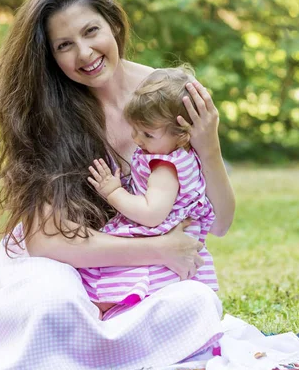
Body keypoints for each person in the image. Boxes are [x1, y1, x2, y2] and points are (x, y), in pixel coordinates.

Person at [0, 0, 299, 370]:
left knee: (195, 305)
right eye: (65, 45)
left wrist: (208, 145)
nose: (84, 53)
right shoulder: (47, 115)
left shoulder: (168, 95)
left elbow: (221, 222)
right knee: (55, 302)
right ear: (50, 56)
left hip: (132, 281)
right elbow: (47, 241)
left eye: (91, 31)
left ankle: (59, 351)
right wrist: (159, 249)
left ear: (113, 24)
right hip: (58, 262)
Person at [79, 66, 219, 314]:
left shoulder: (165, 168)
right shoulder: (180, 155)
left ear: (182, 134)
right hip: (168, 241)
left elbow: (151, 214)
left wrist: (113, 192)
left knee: (111, 290)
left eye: (148, 134)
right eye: (134, 128)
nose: (137, 139)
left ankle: (106, 310)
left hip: (158, 242)